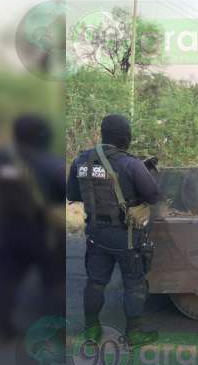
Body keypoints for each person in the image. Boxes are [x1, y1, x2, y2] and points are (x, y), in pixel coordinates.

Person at [0, 115, 66, 343]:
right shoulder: (50, 163)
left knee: (5, 281)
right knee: (54, 283)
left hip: (6, 231)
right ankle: (56, 334)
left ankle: (1, 332)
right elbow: (65, 193)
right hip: (43, 232)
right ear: (43, 136)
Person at [66, 114, 160, 347]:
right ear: (126, 137)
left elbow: (73, 195)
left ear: (103, 134)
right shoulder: (131, 163)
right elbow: (153, 196)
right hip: (126, 236)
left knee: (95, 282)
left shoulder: (80, 161)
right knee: (134, 282)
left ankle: (91, 330)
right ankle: (134, 333)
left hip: (96, 233)